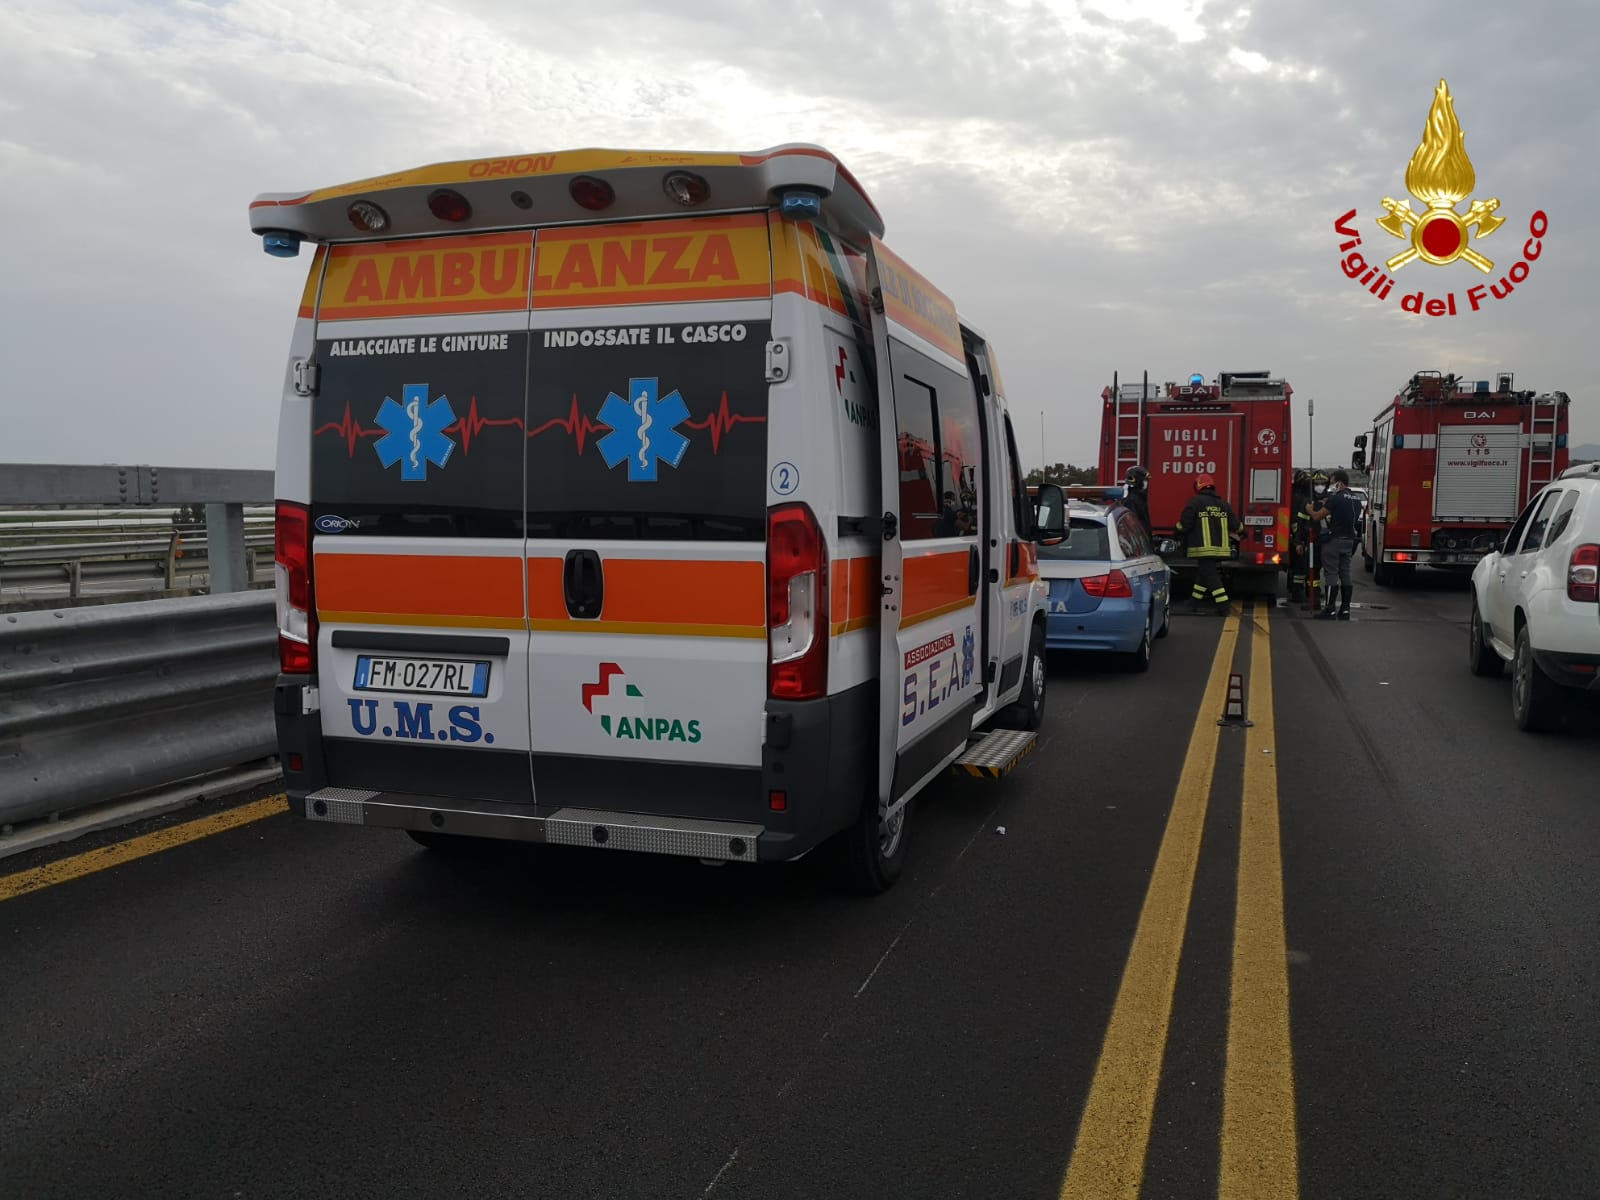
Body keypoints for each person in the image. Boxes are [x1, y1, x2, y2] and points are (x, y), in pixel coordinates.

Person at [1174, 474, 1242, 615]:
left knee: (1211, 576)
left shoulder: (1195, 502)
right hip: (1220, 548)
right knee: (1204, 573)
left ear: (1198, 486)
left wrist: (1177, 531)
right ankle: (1194, 601)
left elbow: (1185, 524)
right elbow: (1235, 525)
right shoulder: (1224, 504)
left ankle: (1223, 605)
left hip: (1203, 548)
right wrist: (1244, 531)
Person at [1307, 468, 1359, 619]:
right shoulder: (1355, 499)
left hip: (1334, 541)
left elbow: (1317, 517)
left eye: (1332, 482)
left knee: (1331, 574)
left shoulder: (1336, 498)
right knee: (1345, 573)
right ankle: (1345, 609)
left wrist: (1310, 510)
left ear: (1339, 483)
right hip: (1349, 541)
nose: (1331, 485)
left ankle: (1329, 609)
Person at [1123, 466, 1153, 542]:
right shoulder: (1131, 501)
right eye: (1145, 480)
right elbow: (1134, 526)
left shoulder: (1138, 498)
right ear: (1138, 481)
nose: (1146, 483)